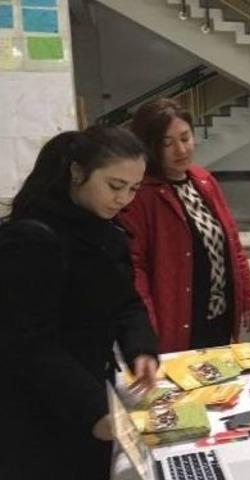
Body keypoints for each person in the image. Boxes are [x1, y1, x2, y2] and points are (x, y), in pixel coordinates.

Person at [0, 127, 159, 480]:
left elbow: (125, 301)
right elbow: (29, 344)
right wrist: (92, 406)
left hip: (85, 388)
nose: (124, 200)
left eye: (133, 189)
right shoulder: (32, 238)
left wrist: (141, 349)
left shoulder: (106, 231)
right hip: (39, 407)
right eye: (115, 186)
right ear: (77, 172)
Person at [120, 98, 250, 353]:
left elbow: (231, 242)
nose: (181, 150)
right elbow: (134, 267)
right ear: (150, 146)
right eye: (167, 143)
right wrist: (144, 326)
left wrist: (249, 298)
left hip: (218, 313)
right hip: (177, 318)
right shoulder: (141, 194)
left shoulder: (203, 180)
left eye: (185, 138)